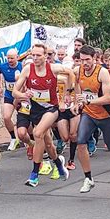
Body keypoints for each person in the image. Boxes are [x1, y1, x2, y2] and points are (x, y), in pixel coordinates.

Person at [13, 44, 73, 187]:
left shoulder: (53, 68)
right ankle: (59, 164)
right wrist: (23, 95)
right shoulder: (28, 69)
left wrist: (67, 94)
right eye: (33, 55)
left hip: (51, 108)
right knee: (48, 144)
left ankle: (34, 175)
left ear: (45, 56)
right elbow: (15, 92)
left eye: (38, 55)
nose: (35, 58)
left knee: (37, 133)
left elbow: (71, 73)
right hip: (35, 110)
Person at [72, 45, 110, 193]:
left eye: (88, 60)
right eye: (82, 60)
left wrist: (88, 101)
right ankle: (88, 178)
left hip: (104, 114)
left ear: (95, 59)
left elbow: (108, 98)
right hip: (88, 114)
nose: (85, 63)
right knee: (81, 142)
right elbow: (76, 86)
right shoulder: (78, 71)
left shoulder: (102, 73)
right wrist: (77, 103)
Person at [0, 48, 23, 151]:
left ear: (17, 57)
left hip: (21, 96)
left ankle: (29, 139)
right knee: (6, 117)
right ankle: (13, 137)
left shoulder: (22, 66)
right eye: (8, 58)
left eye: (12, 58)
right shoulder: (3, 67)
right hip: (9, 94)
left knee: (25, 118)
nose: (10, 60)